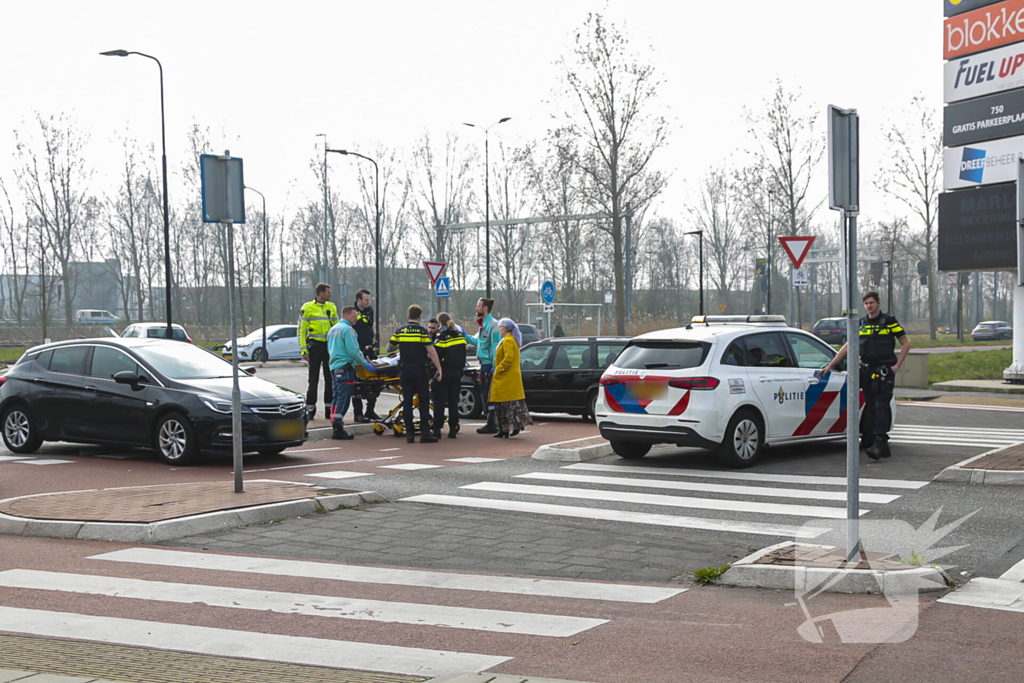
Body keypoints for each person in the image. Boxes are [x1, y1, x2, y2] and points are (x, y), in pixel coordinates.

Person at [817, 291, 910, 460]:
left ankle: (879, 442)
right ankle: (883, 444)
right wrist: (830, 365)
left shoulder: (889, 321)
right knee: (872, 407)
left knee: (881, 405)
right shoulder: (861, 323)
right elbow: (847, 347)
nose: (869, 306)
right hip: (867, 370)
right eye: (866, 303)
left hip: (884, 370)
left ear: (878, 303)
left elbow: (906, 344)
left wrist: (896, 367)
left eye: (872, 303)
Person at [387, 304, 443, 444]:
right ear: (419, 317)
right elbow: (431, 351)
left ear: (408, 316)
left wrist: (401, 344)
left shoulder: (400, 331)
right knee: (423, 402)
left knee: (407, 401)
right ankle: (424, 433)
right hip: (420, 372)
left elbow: (389, 348)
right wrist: (439, 369)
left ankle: (409, 434)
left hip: (405, 371)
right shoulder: (422, 332)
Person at [326, 306, 377, 440]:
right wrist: (366, 365)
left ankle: (335, 424)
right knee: (344, 397)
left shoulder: (332, 329)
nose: (356, 318)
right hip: (345, 368)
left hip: (334, 367)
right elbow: (354, 351)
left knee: (336, 396)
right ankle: (338, 427)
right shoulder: (348, 330)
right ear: (347, 315)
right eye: (354, 316)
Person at [299, 283, 338, 420]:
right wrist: (304, 350)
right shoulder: (307, 308)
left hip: (328, 347)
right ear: (321, 293)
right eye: (328, 292)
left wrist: (336, 348)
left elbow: (336, 328)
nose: (330, 294)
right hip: (314, 347)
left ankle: (329, 409)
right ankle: (311, 409)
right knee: (313, 379)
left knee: (330, 379)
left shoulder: (331, 307)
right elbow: (302, 330)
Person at [489, 318, 533, 438]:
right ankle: (505, 429)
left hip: (506, 378)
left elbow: (508, 358)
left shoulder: (508, 341)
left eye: (501, 327)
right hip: (507, 378)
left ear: (506, 328)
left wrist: (498, 369)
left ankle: (508, 428)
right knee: (506, 404)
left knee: (506, 404)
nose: (499, 329)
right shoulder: (508, 340)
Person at [466, 297, 501, 433]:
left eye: (478, 306)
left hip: (488, 365)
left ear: (485, 308)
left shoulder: (493, 325)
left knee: (489, 394)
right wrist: (464, 335)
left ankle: (492, 423)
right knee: (486, 394)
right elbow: (477, 342)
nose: (476, 308)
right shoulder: (483, 325)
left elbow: (495, 347)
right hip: (483, 364)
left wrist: (493, 366)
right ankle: (492, 421)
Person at [431, 312, 467, 439]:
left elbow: (436, 354)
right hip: (456, 373)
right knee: (453, 402)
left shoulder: (441, 336)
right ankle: (453, 428)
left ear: (440, 323)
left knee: (439, 401)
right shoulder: (460, 336)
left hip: (443, 372)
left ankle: (437, 429)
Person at [351, 289, 381, 424]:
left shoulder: (370, 310)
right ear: (358, 300)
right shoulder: (352, 312)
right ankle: (358, 413)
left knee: (374, 379)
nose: (368, 302)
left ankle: (370, 409)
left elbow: (370, 326)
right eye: (366, 300)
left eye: (369, 300)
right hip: (357, 350)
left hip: (370, 349)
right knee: (357, 382)